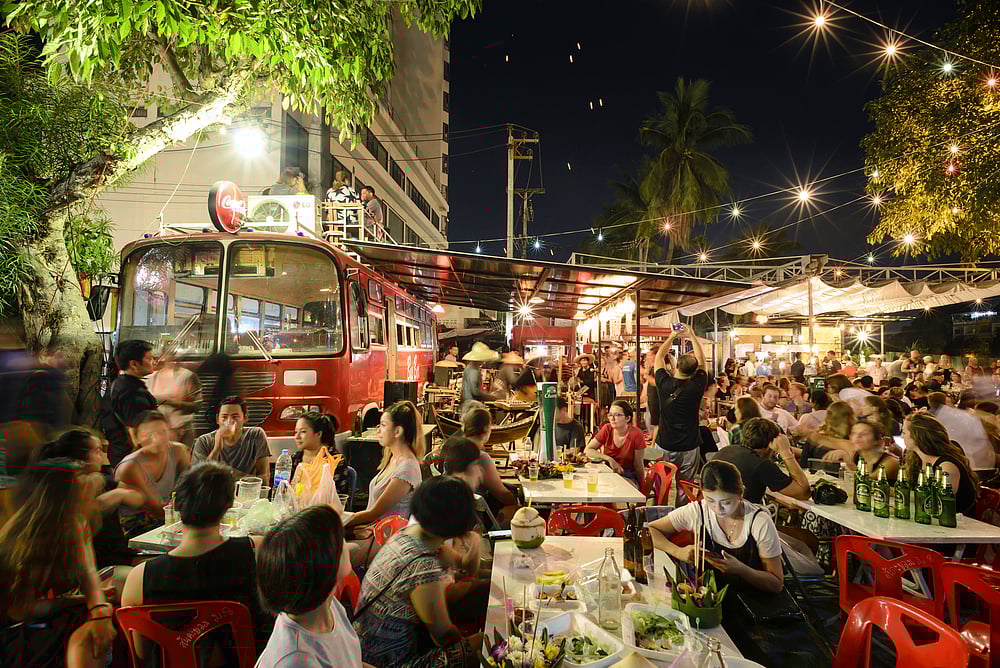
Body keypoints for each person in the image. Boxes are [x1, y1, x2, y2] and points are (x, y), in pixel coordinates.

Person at [121, 462, 273, 660]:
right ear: (228, 506)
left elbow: (142, 653)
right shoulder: (256, 552)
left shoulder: (139, 578)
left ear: (176, 506)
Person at [0, 458, 116, 668]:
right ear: (67, 499)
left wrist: (99, 607)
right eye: (88, 496)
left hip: (37, 617)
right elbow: (21, 610)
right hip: (13, 631)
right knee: (88, 635)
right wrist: (78, 602)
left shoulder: (75, 521)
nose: (96, 501)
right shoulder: (37, 539)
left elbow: (88, 571)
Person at [355, 476, 482, 668]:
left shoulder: (409, 534)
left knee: (482, 593)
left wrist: (475, 546)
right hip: (387, 661)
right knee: (485, 642)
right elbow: (443, 635)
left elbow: (464, 566)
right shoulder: (422, 567)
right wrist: (470, 641)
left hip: (364, 649)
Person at [256, 506, 363, 668]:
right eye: (339, 540)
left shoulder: (326, 603)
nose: (345, 544)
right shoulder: (298, 660)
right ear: (324, 568)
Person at [39, 429, 144, 572]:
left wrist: (119, 494)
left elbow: (138, 498)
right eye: (98, 451)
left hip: (120, 556)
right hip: (98, 566)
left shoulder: (104, 479)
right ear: (81, 459)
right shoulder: (65, 491)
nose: (102, 457)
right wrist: (102, 503)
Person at [345, 401, 424, 564]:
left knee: (331, 556)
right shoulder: (392, 458)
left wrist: (338, 520)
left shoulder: (407, 467)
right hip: (370, 532)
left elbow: (374, 512)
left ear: (397, 431)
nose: (378, 430)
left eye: (382, 425)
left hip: (387, 541)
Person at [115, 410, 191, 538]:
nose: (157, 439)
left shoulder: (178, 451)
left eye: (162, 432)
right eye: (148, 434)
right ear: (136, 437)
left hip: (169, 516)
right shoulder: (130, 467)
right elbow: (155, 509)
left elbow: (191, 485)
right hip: (140, 524)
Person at [654, 324, 711, 489]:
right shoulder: (698, 385)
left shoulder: (664, 383)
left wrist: (672, 336)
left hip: (665, 442)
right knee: (685, 485)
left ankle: (660, 508)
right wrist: (692, 335)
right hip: (689, 444)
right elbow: (702, 361)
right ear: (694, 371)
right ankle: (682, 512)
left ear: (676, 366)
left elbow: (659, 356)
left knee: (661, 484)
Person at [714, 417, 810, 503]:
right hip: (743, 518)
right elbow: (803, 492)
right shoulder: (761, 464)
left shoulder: (728, 449)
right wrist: (786, 453)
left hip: (710, 513)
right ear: (772, 442)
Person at [902, 413, 980, 517]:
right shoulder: (917, 460)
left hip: (956, 524)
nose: (903, 437)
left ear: (917, 436)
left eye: (905, 432)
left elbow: (939, 503)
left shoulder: (947, 466)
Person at [105, 339, 158, 467]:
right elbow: (137, 430)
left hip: (120, 454)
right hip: (133, 459)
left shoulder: (118, 385)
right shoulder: (132, 392)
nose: (154, 362)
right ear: (134, 364)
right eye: (150, 359)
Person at [454, 406, 518, 510]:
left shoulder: (456, 448)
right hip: (472, 515)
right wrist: (518, 506)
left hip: (453, 509)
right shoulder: (480, 457)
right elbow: (502, 494)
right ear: (485, 429)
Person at [192, 395, 270, 479]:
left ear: (245, 418)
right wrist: (216, 450)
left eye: (235, 417)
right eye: (224, 417)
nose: (229, 421)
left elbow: (264, 477)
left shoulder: (255, 435)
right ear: (217, 419)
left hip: (246, 490)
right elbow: (198, 479)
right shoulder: (204, 441)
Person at [927, 392, 996, 473]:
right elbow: (981, 441)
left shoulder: (929, 418)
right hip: (971, 463)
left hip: (954, 463)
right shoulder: (965, 417)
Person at [145, 350, 202, 447]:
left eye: (174, 356)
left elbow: (197, 406)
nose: (171, 359)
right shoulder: (151, 378)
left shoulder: (187, 376)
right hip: (159, 434)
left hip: (182, 432)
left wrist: (169, 402)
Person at [585, 400, 647, 482]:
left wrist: (643, 487)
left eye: (617, 415)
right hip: (608, 473)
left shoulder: (636, 434)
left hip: (627, 476)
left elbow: (638, 466)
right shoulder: (607, 428)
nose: (612, 419)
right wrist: (609, 459)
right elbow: (588, 450)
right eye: (610, 415)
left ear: (627, 418)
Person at [822, 421, 899, 482]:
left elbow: (866, 483)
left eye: (864, 434)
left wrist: (848, 461)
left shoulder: (890, 462)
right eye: (854, 433)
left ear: (876, 440)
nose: (857, 437)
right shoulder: (858, 455)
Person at [460, 342, 499, 407]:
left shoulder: (471, 367)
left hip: (468, 403)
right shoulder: (473, 370)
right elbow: (475, 392)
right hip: (471, 405)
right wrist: (492, 397)